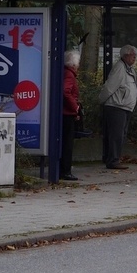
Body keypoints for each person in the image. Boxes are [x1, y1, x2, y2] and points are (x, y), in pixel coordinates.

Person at [99, 44, 137, 170]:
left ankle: (110, 158)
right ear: (126, 56)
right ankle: (113, 161)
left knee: (118, 134)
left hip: (124, 107)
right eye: (133, 55)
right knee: (116, 135)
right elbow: (109, 87)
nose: (135, 58)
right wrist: (101, 100)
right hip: (117, 106)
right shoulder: (120, 68)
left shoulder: (128, 69)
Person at [60, 49, 82, 181]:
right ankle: (65, 170)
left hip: (65, 112)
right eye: (78, 63)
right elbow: (66, 92)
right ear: (73, 64)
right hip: (67, 113)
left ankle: (64, 169)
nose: (79, 65)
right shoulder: (70, 75)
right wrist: (76, 107)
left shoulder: (64, 72)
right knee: (68, 144)